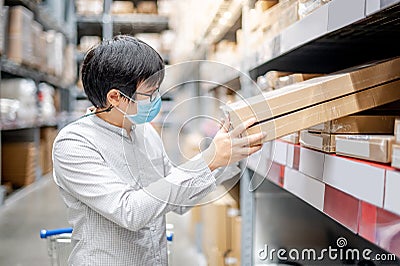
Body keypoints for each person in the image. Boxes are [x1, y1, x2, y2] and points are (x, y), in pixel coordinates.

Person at [52, 35, 265, 266]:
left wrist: (229, 159)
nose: (156, 100)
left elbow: (178, 199)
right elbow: (129, 212)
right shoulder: (74, 144)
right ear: (115, 97)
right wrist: (208, 160)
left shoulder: (145, 132)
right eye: (150, 93)